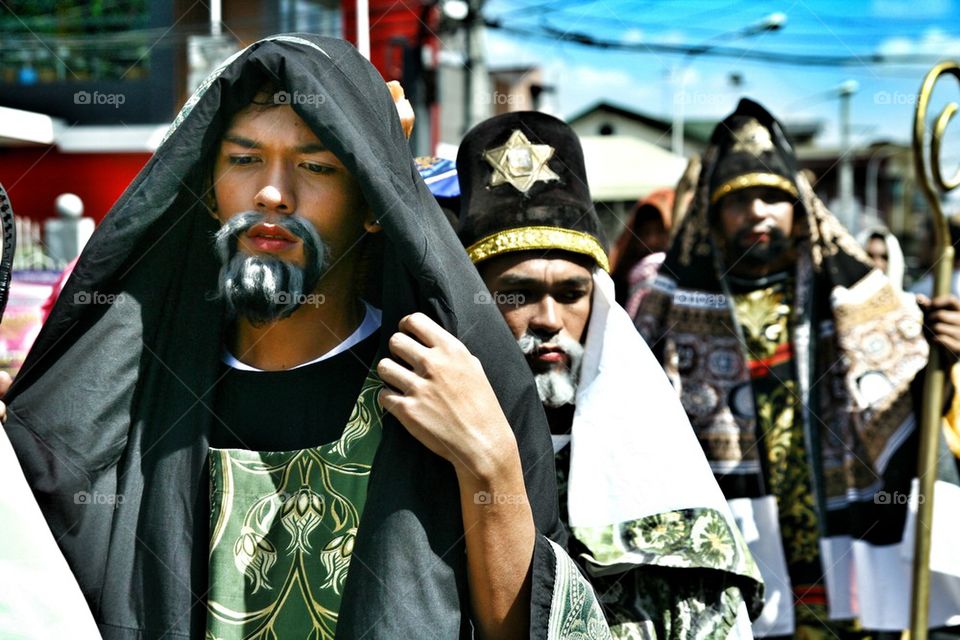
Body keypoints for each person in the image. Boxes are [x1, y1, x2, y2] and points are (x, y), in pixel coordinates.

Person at [2, 35, 611, 639]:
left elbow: (516, 627)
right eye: (243, 159)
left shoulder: (449, 385)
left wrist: (490, 466)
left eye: (316, 166)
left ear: (375, 202)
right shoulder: (133, 397)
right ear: (210, 192)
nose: (273, 192)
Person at [635, 98, 960, 638]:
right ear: (714, 214)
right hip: (735, 538)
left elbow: (907, 411)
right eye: (739, 200)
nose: (757, 211)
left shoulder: (850, 298)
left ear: (799, 206)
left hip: (838, 530)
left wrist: (937, 363)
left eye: (772, 196)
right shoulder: (673, 309)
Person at [456, 110, 765, 638]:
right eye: (519, 294)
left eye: (571, 294)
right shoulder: (427, 444)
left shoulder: (656, 464)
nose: (549, 320)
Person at [856, 225, 904, 290]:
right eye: (871, 256)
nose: (877, 263)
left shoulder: (907, 299)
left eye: (884, 257)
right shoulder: (843, 297)